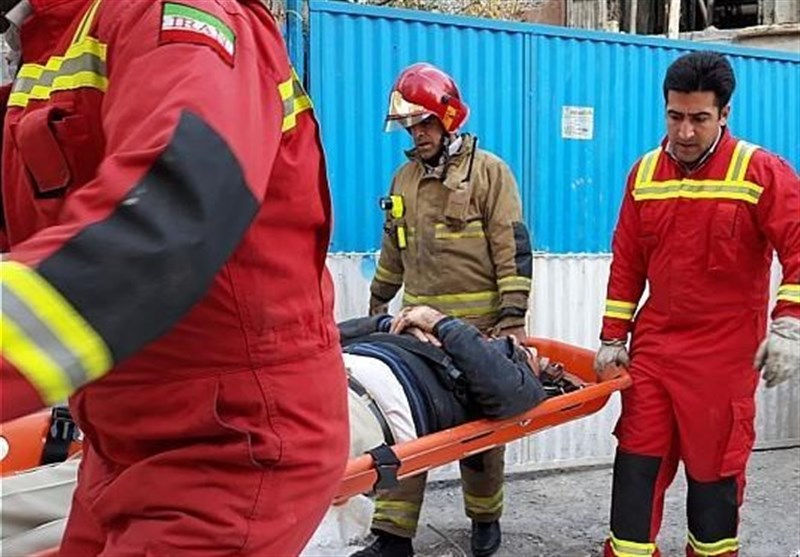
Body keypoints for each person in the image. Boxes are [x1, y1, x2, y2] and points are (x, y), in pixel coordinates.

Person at [0, 1, 348, 555]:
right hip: (119, 439)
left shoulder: (172, 18)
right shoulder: (49, 44)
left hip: (226, 441)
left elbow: (168, 218)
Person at [2, 305, 554, 556]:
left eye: (524, 353)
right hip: (291, 382)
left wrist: (442, 323)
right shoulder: (429, 344)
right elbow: (326, 333)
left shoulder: (489, 374)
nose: (518, 349)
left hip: (346, 414)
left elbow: (514, 397)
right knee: (125, 464)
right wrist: (390, 322)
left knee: (182, 496)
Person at [594, 51, 799, 557]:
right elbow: (627, 262)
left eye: (699, 119)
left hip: (723, 362)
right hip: (654, 355)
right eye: (675, 116)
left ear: (724, 114)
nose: (684, 132)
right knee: (635, 472)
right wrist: (612, 337)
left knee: (713, 485)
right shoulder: (644, 174)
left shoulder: (759, 171)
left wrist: (790, 325)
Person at [365, 61, 534, 557]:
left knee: (482, 436)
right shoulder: (403, 180)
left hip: (479, 330)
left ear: (447, 119)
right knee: (403, 425)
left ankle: (484, 520)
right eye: (410, 126)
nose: (417, 134)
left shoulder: (490, 173)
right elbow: (393, 250)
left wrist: (513, 319)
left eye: (424, 123)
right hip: (416, 334)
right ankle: (393, 534)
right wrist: (377, 303)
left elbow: (511, 247)